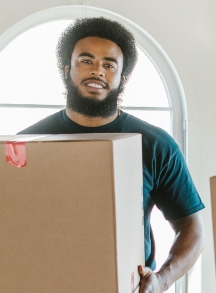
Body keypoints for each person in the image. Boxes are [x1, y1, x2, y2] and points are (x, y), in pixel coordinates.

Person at [19, 17, 204, 293]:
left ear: (122, 78)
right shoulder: (27, 143)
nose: (97, 71)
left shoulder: (155, 144)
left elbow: (191, 227)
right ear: (67, 69)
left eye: (109, 65)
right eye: (86, 60)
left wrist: (162, 279)